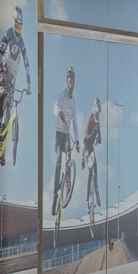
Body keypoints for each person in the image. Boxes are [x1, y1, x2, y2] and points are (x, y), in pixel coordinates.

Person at [0, 6, 32, 164]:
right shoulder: (9, 33)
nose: (18, 29)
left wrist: (29, 85)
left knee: (9, 116)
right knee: (2, 94)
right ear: (13, 23)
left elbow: (27, 63)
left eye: (20, 26)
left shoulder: (22, 42)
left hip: (14, 78)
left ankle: (0, 151)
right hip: (6, 70)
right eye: (16, 25)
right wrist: (1, 71)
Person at [52, 66, 80, 215]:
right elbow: (55, 106)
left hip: (67, 134)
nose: (70, 82)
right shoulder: (61, 94)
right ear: (66, 80)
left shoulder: (74, 101)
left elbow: (75, 125)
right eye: (69, 79)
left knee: (68, 155)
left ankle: (67, 182)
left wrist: (77, 141)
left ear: (74, 83)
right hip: (59, 133)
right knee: (58, 159)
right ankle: (55, 194)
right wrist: (59, 112)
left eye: (72, 80)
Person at [82, 97, 102, 211]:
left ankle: (97, 189)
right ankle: (87, 199)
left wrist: (99, 138)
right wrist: (83, 155)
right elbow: (86, 134)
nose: (98, 114)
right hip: (87, 147)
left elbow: (99, 134)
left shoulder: (98, 121)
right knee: (90, 171)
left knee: (96, 167)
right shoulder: (91, 117)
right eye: (97, 112)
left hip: (92, 148)